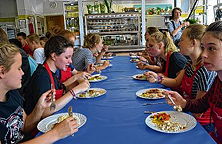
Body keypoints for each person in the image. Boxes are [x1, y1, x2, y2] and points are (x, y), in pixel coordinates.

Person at [0, 43, 78, 144]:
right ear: (2, 71)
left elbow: (25, 126)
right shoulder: (42, 75)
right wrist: (56, 133)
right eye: (19, 68)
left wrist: (40, 107)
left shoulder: (12, 93)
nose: (22, 73)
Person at [165, 21, 222, 144]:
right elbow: (202, 103)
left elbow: (200, 112)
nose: (204, 54)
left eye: (211, 48)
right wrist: (184, 102)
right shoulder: (218, 80)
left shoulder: (205, 72)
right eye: (203, 48)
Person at [24, 36, 90, 115]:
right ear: (54, 56)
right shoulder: (42, 76)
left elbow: (61, 88)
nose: (70, 61)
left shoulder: (53, 72)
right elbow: (44, 112)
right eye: (67, 57)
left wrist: (79, 83)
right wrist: (75, 91)